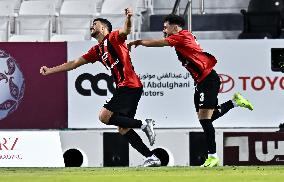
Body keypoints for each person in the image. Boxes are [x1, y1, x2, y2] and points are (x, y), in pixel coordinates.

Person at [128, 14, 254, 167]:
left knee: (205, 120)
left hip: (208, 80)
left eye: (166, 26)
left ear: (175, 27)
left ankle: (213, 156)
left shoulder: (182, 35)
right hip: (201, 82)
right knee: (208, 118)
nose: (164, 29)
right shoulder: (182, 37)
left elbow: (160, 43)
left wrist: (139, 41)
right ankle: (234, 102)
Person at [40, 8, 161, 167]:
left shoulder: (113, 38)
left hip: (129, 85)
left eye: (94, 24)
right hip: (128, 88)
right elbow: (74, 63)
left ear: (103, 28)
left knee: (104, 116)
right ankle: (152, 157)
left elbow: (126, 30)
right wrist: (50, 70)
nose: (91, 26)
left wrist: (129, 17)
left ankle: (144, 124)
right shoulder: (96, 50)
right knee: (123, 128)